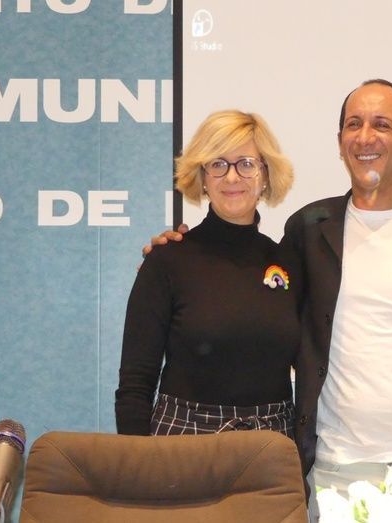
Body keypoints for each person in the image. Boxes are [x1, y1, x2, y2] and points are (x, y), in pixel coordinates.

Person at [145, 80, 392, 501]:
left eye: (382, 125)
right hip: (335, 468)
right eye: (353, 124)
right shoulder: (308, 229)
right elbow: (245, 298)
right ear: (340, 142)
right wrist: (173, 255)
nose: (365, 137)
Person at [115, 109, 300, 439]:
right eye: (218, 164)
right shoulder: (167, 260)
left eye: (246, 164)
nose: (231, 177)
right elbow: (135, 383)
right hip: (182, 442)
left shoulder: (290, 263)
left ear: (266, 174)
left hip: (273, 441)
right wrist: (137, 463)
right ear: (202, 176)